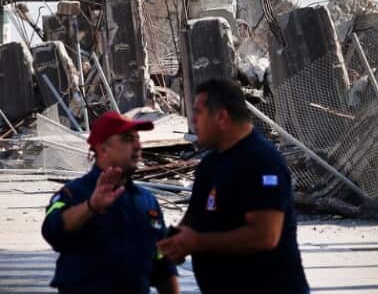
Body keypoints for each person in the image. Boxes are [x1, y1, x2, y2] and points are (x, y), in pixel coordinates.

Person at [157, 77, 309, 293]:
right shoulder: (210, 164)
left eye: (198, 112)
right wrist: (172, 243)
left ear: (221, 116)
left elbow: (265, 236)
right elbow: (193, 217)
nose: (192, 121)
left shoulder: (261, 161)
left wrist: (197, 242)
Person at [41, 111, 180, 294]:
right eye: (128, 139)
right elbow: (52, 230)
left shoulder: (147, 202)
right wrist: (90, 207)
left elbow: (162, 264)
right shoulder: (73, 193)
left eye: (138, 138)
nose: (138, 146)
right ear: (103, 148)